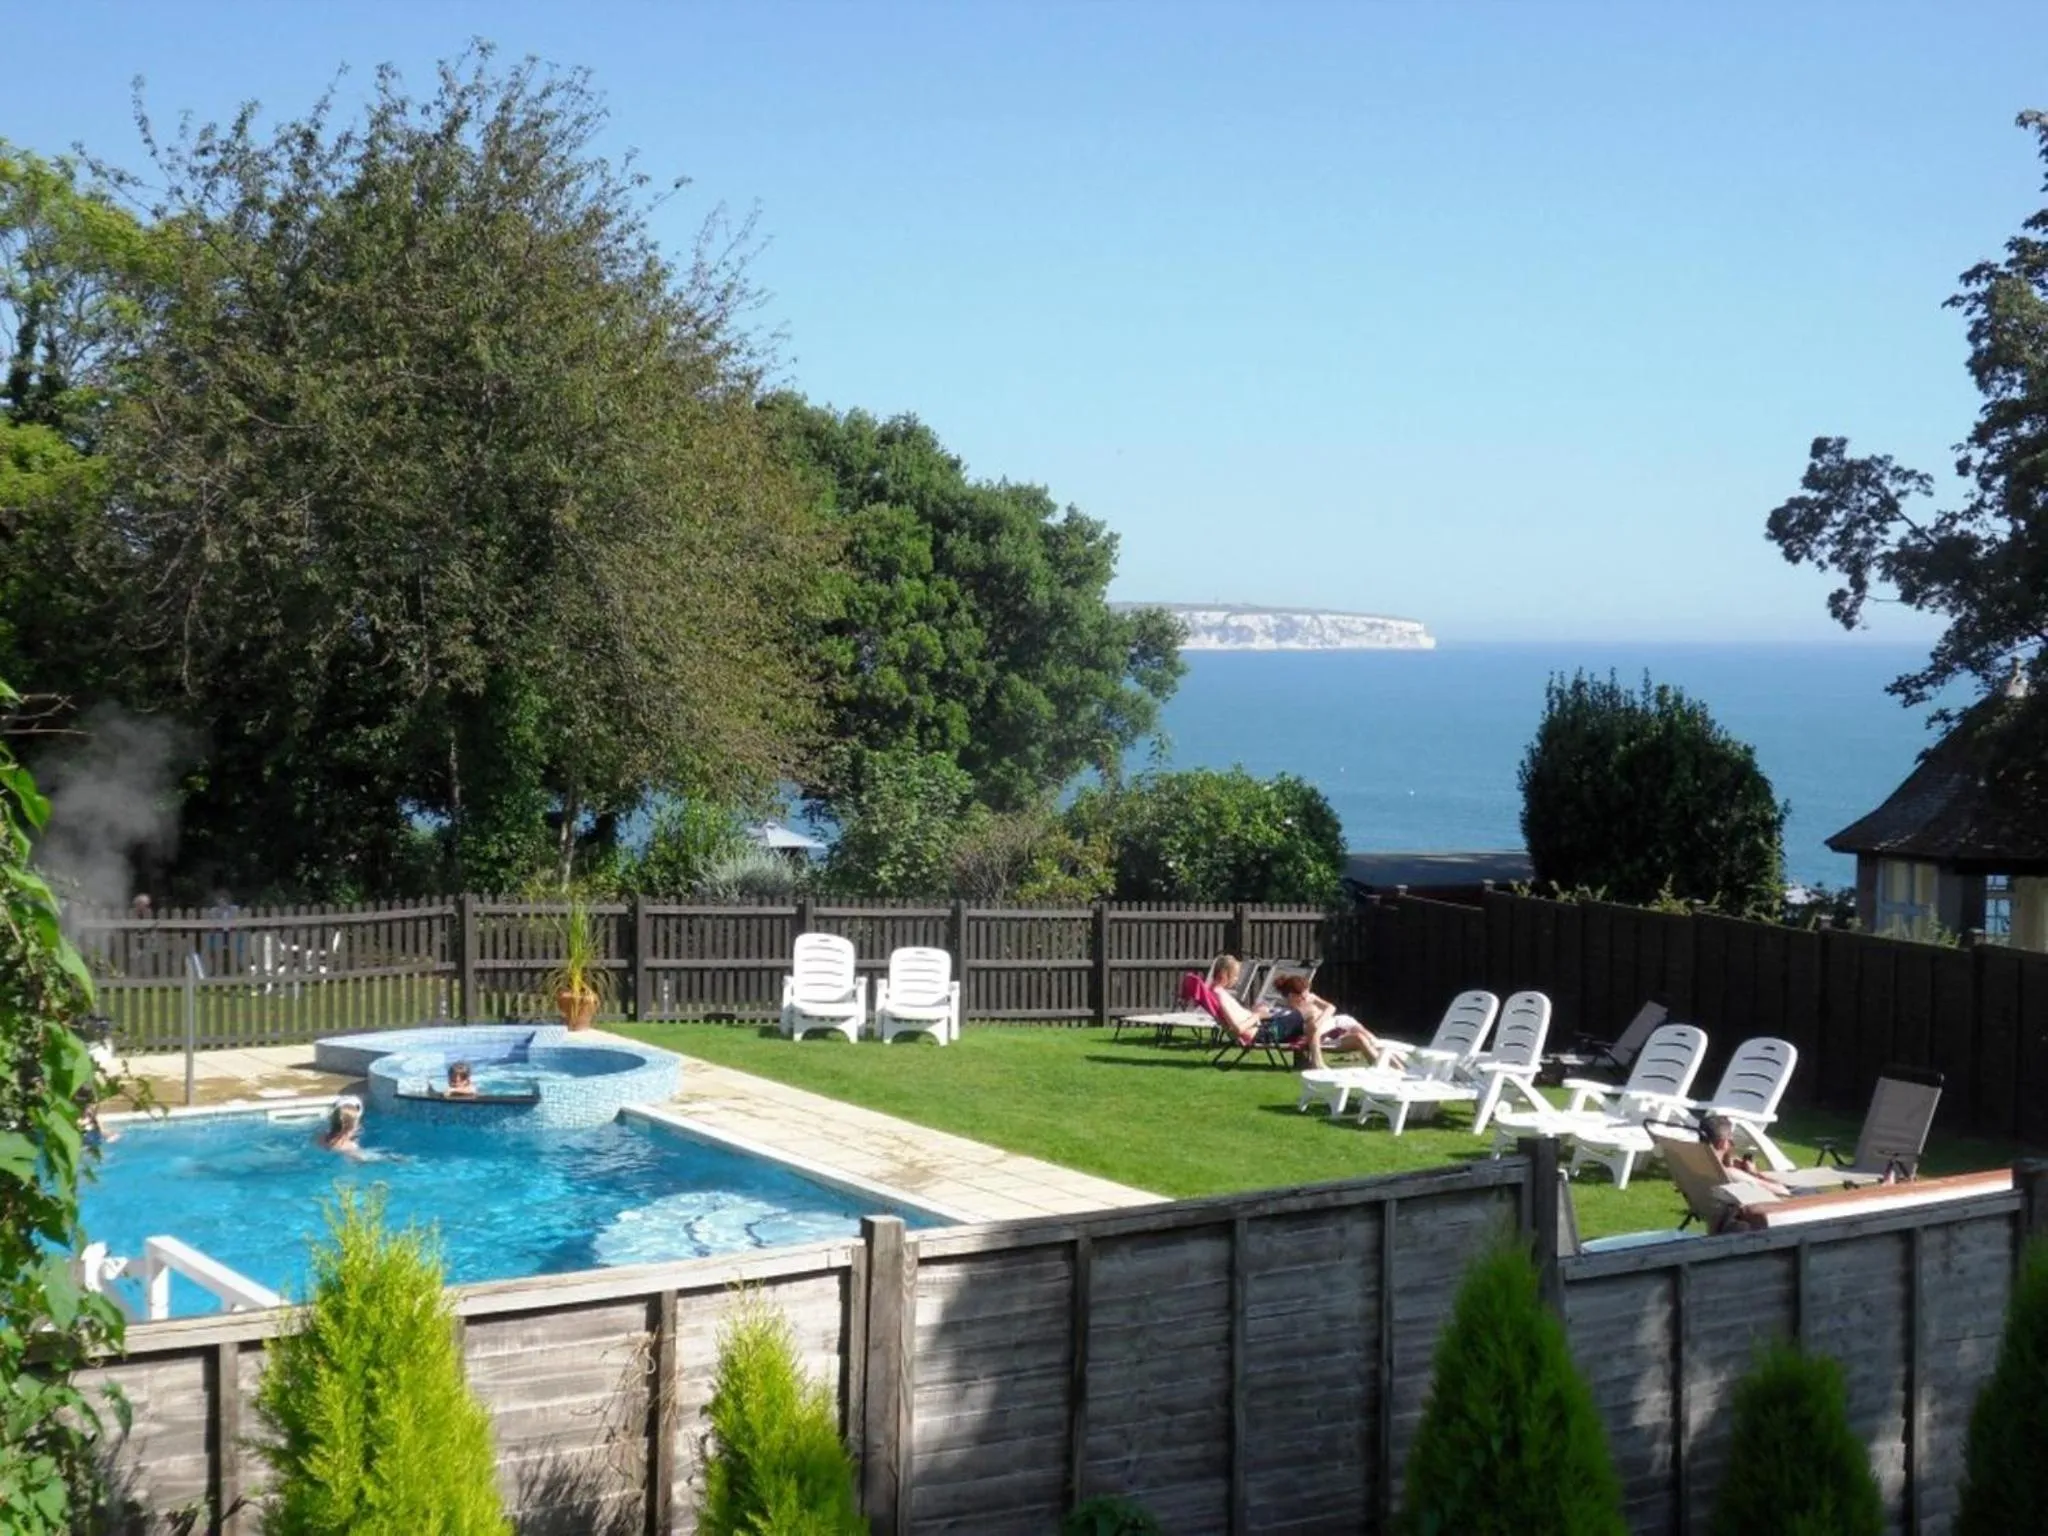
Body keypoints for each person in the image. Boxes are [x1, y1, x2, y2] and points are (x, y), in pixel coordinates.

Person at [1269, 972, 1407, 1072]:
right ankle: (1393, 1068)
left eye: (1307, 992)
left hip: (1337, 1022)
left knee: (1373, 1040)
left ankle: (1400, 1066)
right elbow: (1306, 1029)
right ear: (1291, 995)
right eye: (1303, 995)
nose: (1306, 996)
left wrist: (1320, 1021)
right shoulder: (1288, 1011)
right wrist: (1318, 1023)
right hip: (1330, 1034)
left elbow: (1331, 1007)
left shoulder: (1310, 998)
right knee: (1363, 1038)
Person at [1699, 1113, 1789, 1198]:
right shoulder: (1730, 1173)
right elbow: (1783, 1191)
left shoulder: (1695, 1164)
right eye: (1731, 1140)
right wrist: (1754, 1173)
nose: (1732, 1145)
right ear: (1722, 1143)